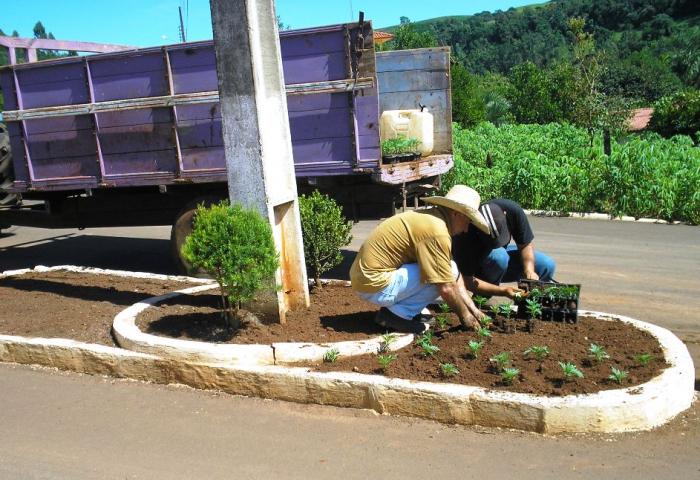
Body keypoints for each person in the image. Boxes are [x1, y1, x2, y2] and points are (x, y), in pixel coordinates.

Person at [350, 185, 490, 333]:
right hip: (373, 284)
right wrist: (466, 318)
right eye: (468, 221)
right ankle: (397, 315)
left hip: (365, 280)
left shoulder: (433, 219)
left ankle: (403, 312)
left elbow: (453, 273)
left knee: (449, 269)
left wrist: (474, 311)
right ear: (456, 214)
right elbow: (446, 288)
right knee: (438, 278)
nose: (466, 229)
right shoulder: (437, 233)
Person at [452, 198, 556, 299]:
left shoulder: (513, 211)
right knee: (499, 256)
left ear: (505, 215)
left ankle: (532, 302)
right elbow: (467, 281)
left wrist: (529, 270)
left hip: (501, 264)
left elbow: (525, 245)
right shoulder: (465, 232)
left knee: (546, 264)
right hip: (478, 269)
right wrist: (503, 291)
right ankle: (480, 300)